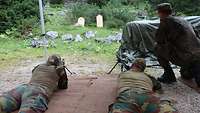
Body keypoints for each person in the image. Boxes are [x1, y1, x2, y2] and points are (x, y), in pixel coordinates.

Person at [0, 54, 68, 113]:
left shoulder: (38, 66)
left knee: (3, 103)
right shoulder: (58, 70)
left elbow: (34, 73)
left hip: (24, 87)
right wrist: (62, 70)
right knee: (29, 110)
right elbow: (63, 86)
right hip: (37, 90)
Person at [109, 58, 177, 113]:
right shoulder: (148, 76)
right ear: (143, 69)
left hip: (127, 95)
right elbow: (159, 88)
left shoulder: (123, 74)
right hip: (147, 94)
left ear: (132, 65)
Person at [155, 3, 200, 85]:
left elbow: (159, 39)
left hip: (187, 57)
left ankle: (169, 76)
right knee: (185, 75)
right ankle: (193, 69)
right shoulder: (183, 20)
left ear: (160, 12)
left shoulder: (166, 21)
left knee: (157, 48)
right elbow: (197, 35)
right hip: (197, 54)